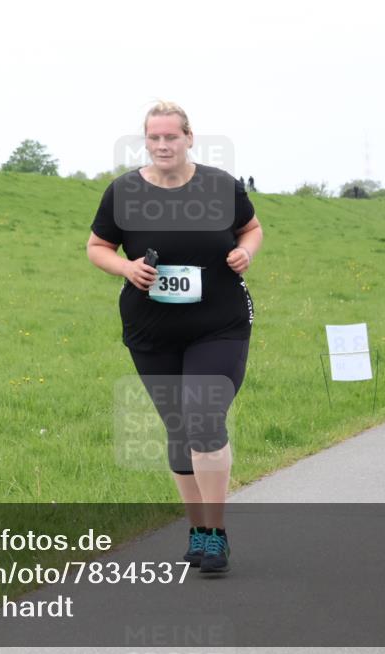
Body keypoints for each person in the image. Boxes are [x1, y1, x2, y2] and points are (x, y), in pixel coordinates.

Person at [86, 101, 262, 574]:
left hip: (219, 324)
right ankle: (198, 529)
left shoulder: (220, 186)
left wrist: (245, 253)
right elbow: (97, 246)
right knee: (179, 429)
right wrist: (125, 266)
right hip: (152, 330)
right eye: (154, 137)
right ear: (146, 141)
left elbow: (251, 228)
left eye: (171, 136)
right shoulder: (123, 192)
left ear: (189, 138)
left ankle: (218, 533)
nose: (163, 145)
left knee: (204, 418)